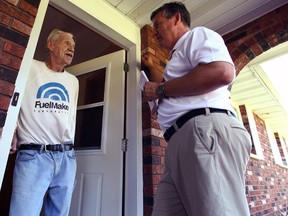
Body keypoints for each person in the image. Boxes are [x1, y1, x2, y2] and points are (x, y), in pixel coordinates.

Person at [142, 2, 252, 216]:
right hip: (180, 142)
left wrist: (161, 89)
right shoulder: (177, 57)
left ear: (176, 19)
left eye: (158, 24)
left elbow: (222, 72)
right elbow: (171, 85)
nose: (154, 32)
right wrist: (153, 74)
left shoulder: (196, 36)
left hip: (203, 132)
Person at [10, 29, 79, 216]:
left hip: (66, 157)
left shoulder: (73, 81)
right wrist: (12, 129)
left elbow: (70, 117)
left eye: (73, 46)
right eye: (66, 43)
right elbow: (11, 97)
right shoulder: (29, 67)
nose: (71, 49)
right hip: (34, 156)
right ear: (51, 44)